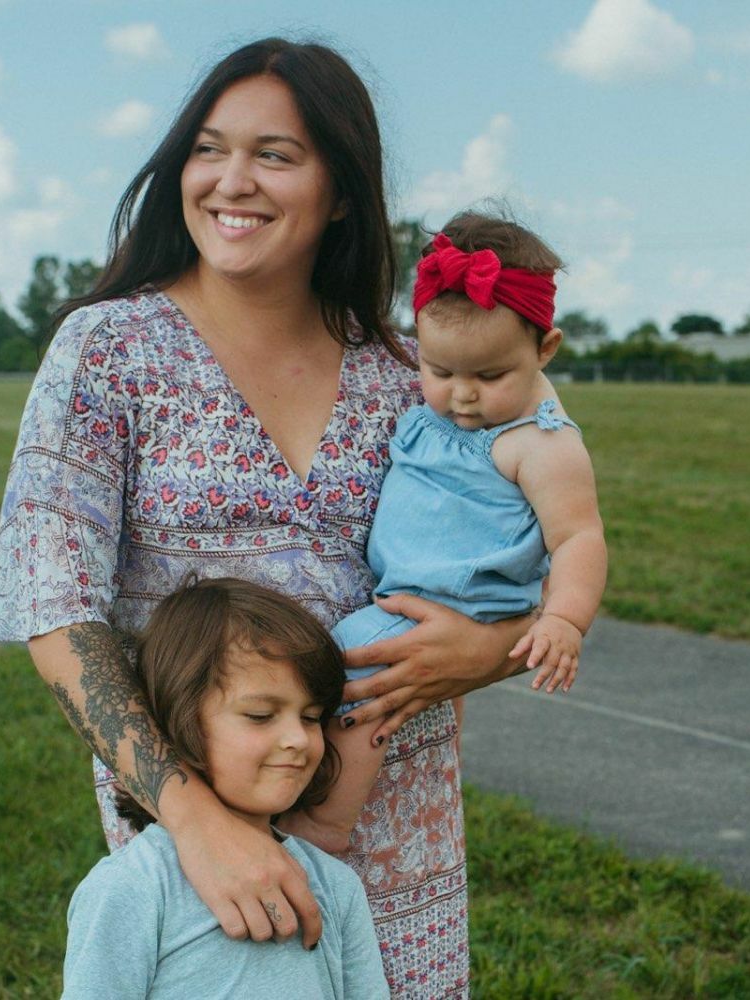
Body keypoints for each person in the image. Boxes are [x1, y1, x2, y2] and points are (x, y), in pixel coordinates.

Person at [0, 37, 535, 997]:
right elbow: (54, 609)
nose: (231, 180)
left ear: (344, 193)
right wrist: (195, 822)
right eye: (208, 148)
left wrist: (495, 649)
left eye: (275, 154)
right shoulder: (111, 348)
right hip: (201, 838)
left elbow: (531, 543)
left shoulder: (410, 373)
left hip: (397, 832)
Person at [283, 211, 607, 852]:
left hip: (450, 600)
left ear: (545, 349)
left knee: (352, 681)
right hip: (408, 587)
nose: (461, 396)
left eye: (489, 377)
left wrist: (565, 621)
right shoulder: (438, 407)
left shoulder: (539, 445)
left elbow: (579, 538)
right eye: (440, 371)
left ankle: (323, 826)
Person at [60, 577, 390, 999]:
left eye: (311, 717)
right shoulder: (131, 889)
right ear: (179, 721)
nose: (298, 739)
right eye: (260, 715)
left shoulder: (335, 886)